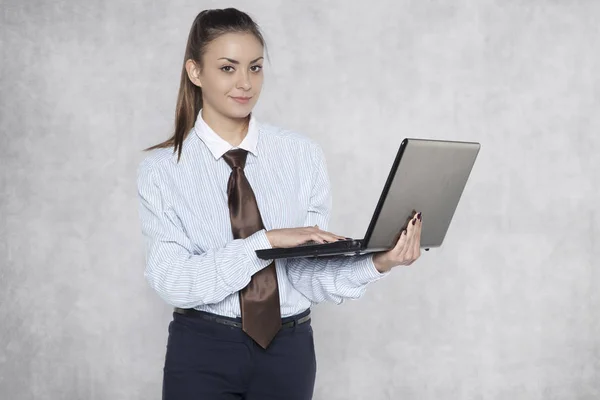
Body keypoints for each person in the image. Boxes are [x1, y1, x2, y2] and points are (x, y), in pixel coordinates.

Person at [136, 7, 423, 400]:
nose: (244, 83)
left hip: (289, 351)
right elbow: (172, 280)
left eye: (255, 68)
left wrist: (380, 262)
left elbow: (304, 276)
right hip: (204, 350)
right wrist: (263, 243)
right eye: (227, 68)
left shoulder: (302, 155)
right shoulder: (162, 170)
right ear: (195, 71)